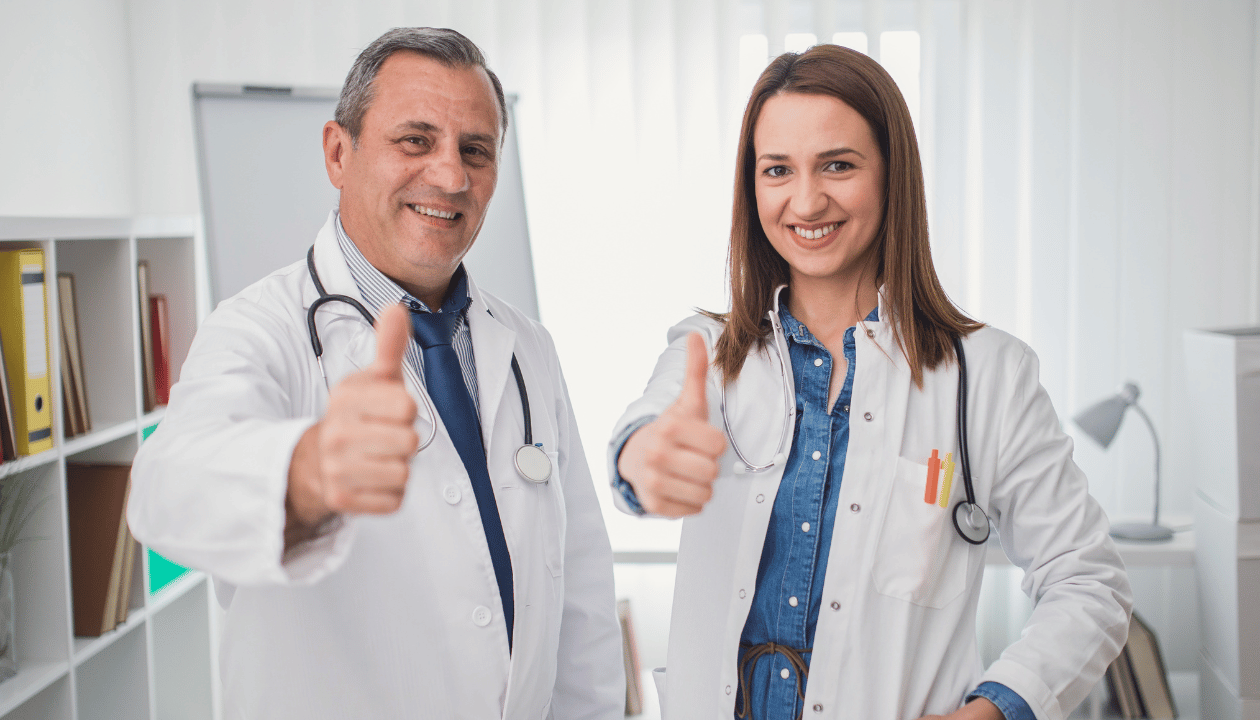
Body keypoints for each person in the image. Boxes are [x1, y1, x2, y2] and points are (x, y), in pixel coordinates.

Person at [609, 45, 1132, 720]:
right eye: (777, 170)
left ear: (892, 176)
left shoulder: (989, 376)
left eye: (838, 165)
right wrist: (641, 460)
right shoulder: (706, 352)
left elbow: (1088, 581)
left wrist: (994, 710)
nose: (806, 200)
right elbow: (644, 433)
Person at [129, 27, 623, 720]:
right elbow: (165, 490)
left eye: (475, 150)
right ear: (339, 153)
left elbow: (581, 599)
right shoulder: (259, 329)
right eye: (415, 140)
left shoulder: (528, 348)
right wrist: (307, 472)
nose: (450, 176)